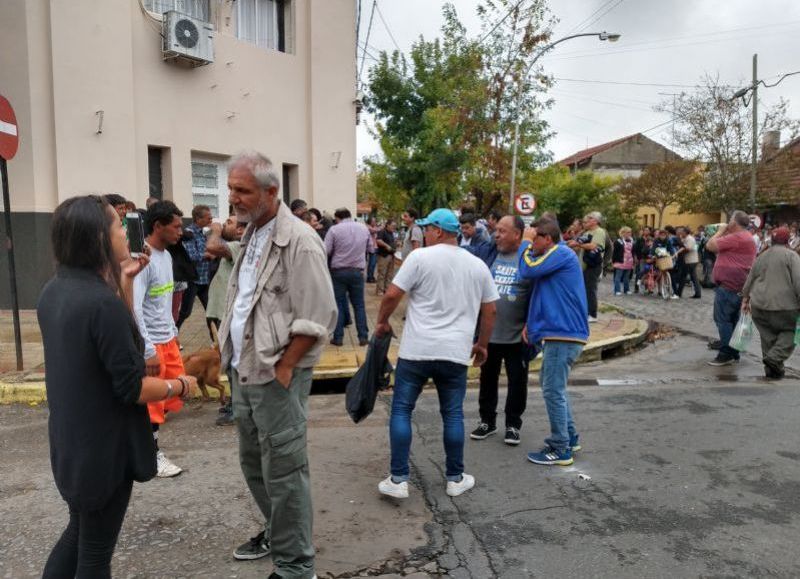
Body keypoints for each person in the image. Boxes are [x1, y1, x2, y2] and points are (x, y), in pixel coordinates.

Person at [38, 195, 197, 578]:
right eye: (117, 226)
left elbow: (115, 346)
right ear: (97, 238)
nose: (125, 233)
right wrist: (179, 385)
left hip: (73, 443)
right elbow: (132, 385)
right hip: (104, 450)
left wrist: (125, 283)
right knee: (94, 553)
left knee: (79, 533)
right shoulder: (98, 302)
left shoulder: (55, 291)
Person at [218, 151, 337, 576]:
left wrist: (286, 366)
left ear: (272, 192)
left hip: (277, 375)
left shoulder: (300, 240)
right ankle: (279, 531)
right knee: (254, 463)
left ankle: (295, 566)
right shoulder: (252, 232)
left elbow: (320, 314)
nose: (233, 197)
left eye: (243, 190)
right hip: (244, 370)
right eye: (231, 188)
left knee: (285, 471)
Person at [375, 208, 498, 499]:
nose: (424, 233)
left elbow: (392, 294)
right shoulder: (476, 264)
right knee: (453, 414)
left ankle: (398, 479)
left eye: (427, 228)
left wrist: (382, 321)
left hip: (417, 350)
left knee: (403, 410)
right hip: (454, 352)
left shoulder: (419, 258)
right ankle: (455, 478)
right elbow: (491, 308)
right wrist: (482, 344)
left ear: (439, 231)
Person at [518, 217, 589, 466]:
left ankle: (560, 449)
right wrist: (532, 325)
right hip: (560, 334)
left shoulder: (561, 253)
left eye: (534, 238)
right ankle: (569, 437)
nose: (530, 242)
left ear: (547, 238)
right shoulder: (555, 257)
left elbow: (526, 269)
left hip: (564, 334)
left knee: (552, 390)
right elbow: (543, 293)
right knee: (554, 388)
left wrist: (524, 244)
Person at [134, 200, 189, 478]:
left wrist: (174, 335)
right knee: (152, 406)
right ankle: (150, 456)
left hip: (167, 340)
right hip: (152, 346)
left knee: (168, 401)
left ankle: (146, 450)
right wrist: (147, 351)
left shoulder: (166, 257)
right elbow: (135, 309)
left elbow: (164, 304)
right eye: (176, 226)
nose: (181, 231)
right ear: (158, 226)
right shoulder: (142, 259)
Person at [470, 216, 532, 446]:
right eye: (496, 231)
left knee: (517, 382)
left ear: (518, 234)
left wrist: (532, 323)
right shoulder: (489, 254)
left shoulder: (528, 259)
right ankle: (487, 421)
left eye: (503, 231)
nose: (497, 235)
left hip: (518, 336)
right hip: (489, 334)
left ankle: (513, 425)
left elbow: (537, 295)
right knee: (487, 379)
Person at [742, 227, 800, 379]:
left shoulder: (762, 256)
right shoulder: (791, 256)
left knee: (768, 336)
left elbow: (749, 280)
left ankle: (773, 371)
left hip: (759, 305)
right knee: (792, 332)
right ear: (787, 240)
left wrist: (745, 298)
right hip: (785, 306)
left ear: (772, 240)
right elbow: (799, 281)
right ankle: (774, 359)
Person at [205, 215, 246, 426]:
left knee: (231, 362)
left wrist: (216, 229)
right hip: (223, 313)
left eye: (229, 222)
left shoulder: (239, 245)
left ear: (240, 230)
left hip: (230, 316)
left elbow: (213, 245)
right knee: (229, 360)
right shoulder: (235, 246)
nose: (224, 224)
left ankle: (238, 408)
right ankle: (236, 403)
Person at [705, 210, 757, 366]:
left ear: (734, 223)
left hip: (729, 286)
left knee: (723, 320)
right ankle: (734, 352)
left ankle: (726, 353)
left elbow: (710, 245)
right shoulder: (746, 237)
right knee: (733, 321)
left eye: (730, 221)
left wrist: (720, 231)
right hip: (739, 285)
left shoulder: (737, 237)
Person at [324, 207, 374, 347]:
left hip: (338, 272)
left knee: (338, 304)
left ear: (337, 218)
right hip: (357, 272)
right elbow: (371, 248)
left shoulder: (334, 230)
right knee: (359, 305)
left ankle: (338, 338)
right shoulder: (363, 228)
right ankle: (363, 337)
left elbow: (326, 250)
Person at [177, 204, 214, 330]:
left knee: (211, 312)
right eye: (208, 218)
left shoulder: (205, 232)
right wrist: (208, 255)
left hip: (204, 279)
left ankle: (216, 341)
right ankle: (173, 336)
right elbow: (191, 256)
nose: (211, 220)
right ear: (198, 219)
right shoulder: (189, 234)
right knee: (185, 312)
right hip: (192, 280)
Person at [567, 212, 607, 323]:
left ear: (595, 221)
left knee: (590, 290)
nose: (586, 222)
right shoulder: (588, 232)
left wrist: (577, 245)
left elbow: (594, 246)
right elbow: (579, 242)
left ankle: (593, 315)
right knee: (584, 290)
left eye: (588, 220)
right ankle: (585, 313)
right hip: (584, 265)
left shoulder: (599, 232)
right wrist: (571, 243)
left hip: (592, 265)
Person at [676, 226, 702, 298]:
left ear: (685, 232)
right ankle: (697, 293)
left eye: (682, 232)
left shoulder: (690, 239)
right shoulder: (686, 238)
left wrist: (679, 251)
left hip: (690, 261)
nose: (681, 234)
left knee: (684, 277)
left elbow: (688, 249)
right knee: (693, 277)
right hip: (690, 260)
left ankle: (679, 293)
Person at [375, 219, 398, 295]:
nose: (394, 227)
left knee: (389, 274)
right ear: (387, 225)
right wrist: (387, 246)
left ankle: (387, 289)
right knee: (382, 273)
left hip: (391, 255)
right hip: (384, 256)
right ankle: (380, 290)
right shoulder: (382, 231)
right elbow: (378, 240)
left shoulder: (392, 233)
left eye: (395, 226)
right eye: (393, 226)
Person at [611, 227, 634, 295]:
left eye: (630, 232)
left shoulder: (632, 241)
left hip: (629, 261)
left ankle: (626, 290)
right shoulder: (618, 241)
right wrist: (613, 261)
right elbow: (614, 252)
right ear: (623, 233)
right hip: (620, 261)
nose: (630, 234)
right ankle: (617, 290)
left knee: (626, 277)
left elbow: (633, 251)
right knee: (618, 276)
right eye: (628, 232)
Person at [366, 216, 379, 283]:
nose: (374, 222)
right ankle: (369, 277)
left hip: (375, 247)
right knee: (372, 263)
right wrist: (381, 227)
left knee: (373, 264)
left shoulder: (374, 227)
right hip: (372, 248)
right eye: (373, 221)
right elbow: (374, 231)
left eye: (375, 221)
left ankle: (371, 276)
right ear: (370, 221)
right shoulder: (368, 227)